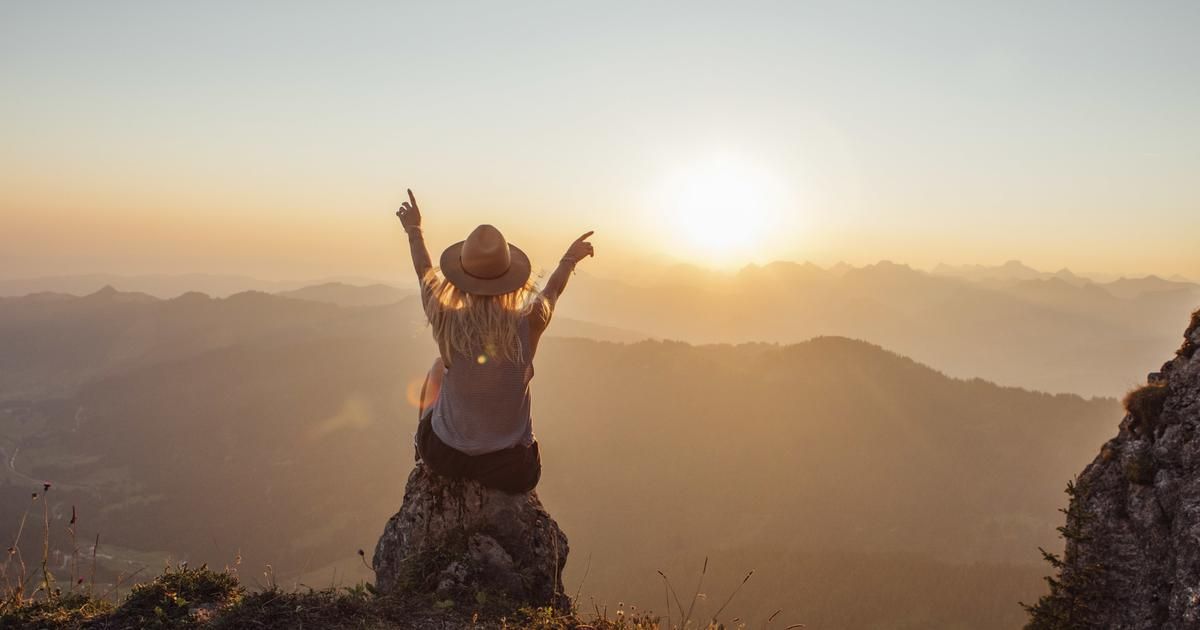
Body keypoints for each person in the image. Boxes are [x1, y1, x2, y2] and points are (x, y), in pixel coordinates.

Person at [395, 189, 593, 493]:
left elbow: (424, 273)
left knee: (438, 367)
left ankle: (419, 452)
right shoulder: (530, 322)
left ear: (460, 278)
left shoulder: (447, 321)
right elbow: (553, 289)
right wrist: (569, 258)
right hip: (510, 469)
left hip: (445, 456)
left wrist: (414, 230)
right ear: (511, 278)